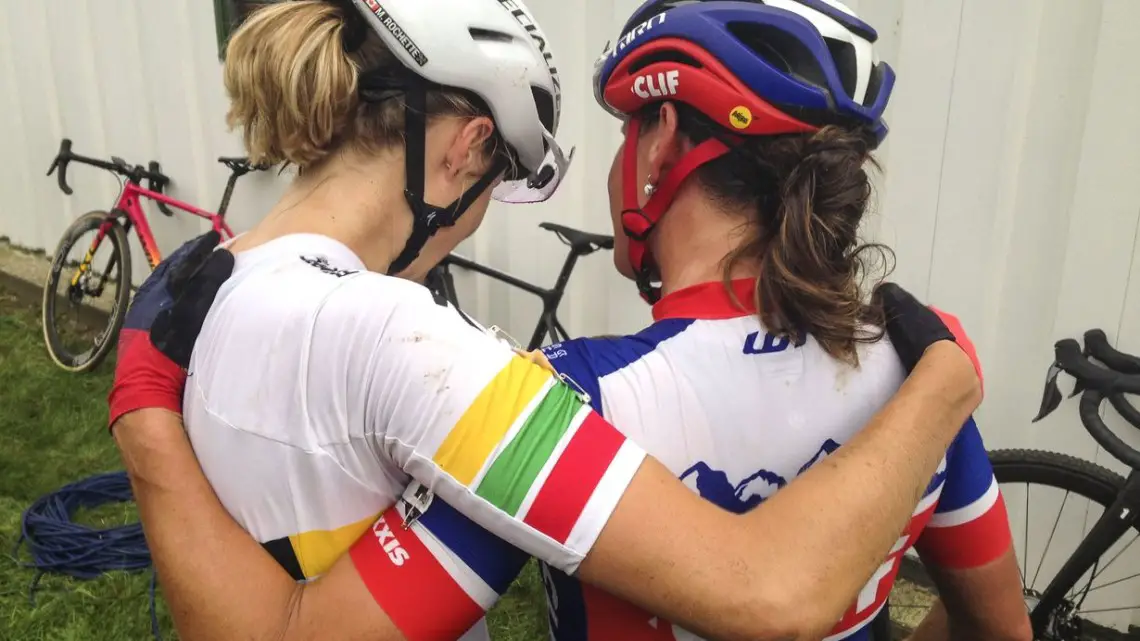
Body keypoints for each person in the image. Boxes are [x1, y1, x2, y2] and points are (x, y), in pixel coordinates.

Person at [107, 1, 983, 640]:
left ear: (662, 145)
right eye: (499, 180)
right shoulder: (401, 339)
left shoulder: (211, 286)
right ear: (468, 147)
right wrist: (944, 383)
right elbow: (776, 590)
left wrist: (145, 419)